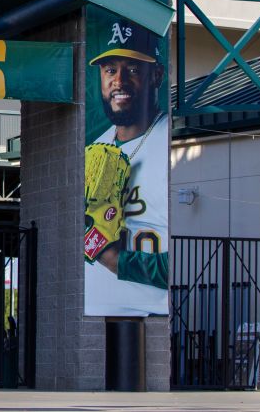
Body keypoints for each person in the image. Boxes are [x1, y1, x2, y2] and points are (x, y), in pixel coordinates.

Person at [85, 19, 169, 316]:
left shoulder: (173, 144)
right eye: (110, 70)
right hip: (93, 320)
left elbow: (185, 262)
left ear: (156, 75)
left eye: (132, 69)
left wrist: (113, 258)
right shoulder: (93, 150)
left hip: (152, 316)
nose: (118, 81)